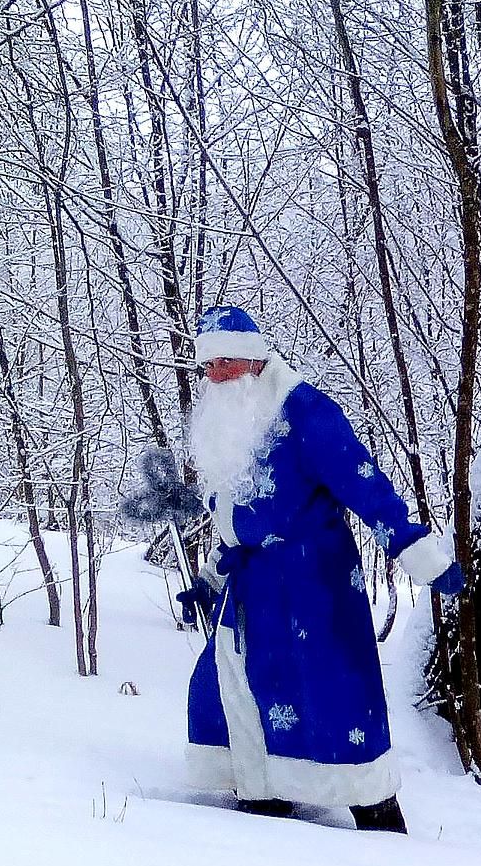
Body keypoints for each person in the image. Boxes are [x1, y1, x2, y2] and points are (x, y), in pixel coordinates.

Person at [180, 306, 464, 833]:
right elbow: (236, 515)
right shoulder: (233, 425)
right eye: (208, 367)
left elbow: (364, 483)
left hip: (314, 588)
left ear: (253, 360)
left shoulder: (306, 412)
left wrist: (414, 548)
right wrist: (213, 575)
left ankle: (377, 818)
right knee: (235, 689)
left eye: (224, 364)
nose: (214, 377)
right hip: (252, 593)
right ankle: (264, 796)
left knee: (333, 698)